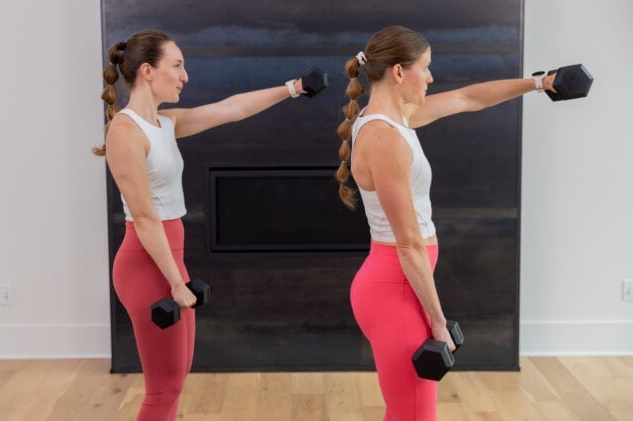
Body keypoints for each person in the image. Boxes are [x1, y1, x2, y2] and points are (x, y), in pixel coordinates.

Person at [93, 29, 316, 421]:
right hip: (146, 265)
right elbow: (145, 218)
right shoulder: (125, 132)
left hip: (168, 262)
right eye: (177, 66)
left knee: (174, 382)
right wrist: (176, 283)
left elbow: (232, 108)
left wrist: (293, 88)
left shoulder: (165, 124)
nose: (185, 76)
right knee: (163, 388)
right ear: (148, 70)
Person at [335, 25, 555, 421]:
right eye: (427, 67)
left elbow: (470, 97)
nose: (432, 77)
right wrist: (438, 322)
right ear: (399, 72)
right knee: (415, 413)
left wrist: (540, 83)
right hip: (394, 288)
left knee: (407, 411)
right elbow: (408, 245)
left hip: (399, 285)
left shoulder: (397, 118)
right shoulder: (385, 139)